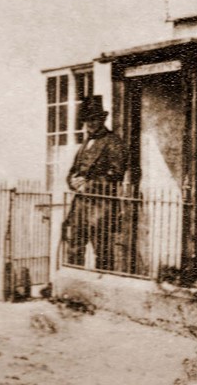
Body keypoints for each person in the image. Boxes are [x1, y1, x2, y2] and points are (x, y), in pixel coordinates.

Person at [63, 95, 126, 270]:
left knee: (102, 250)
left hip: (101, 204)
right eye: (86, 120)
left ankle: (102, 281)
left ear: (102, 120)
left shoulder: (113, 142)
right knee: (74, 246)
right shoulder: (86, 143)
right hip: (80, 203)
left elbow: (117, 174)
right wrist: (72, 181)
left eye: (93, 119)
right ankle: (74, 281)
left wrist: (89, 185)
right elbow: (73, 170)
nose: (89, 124)